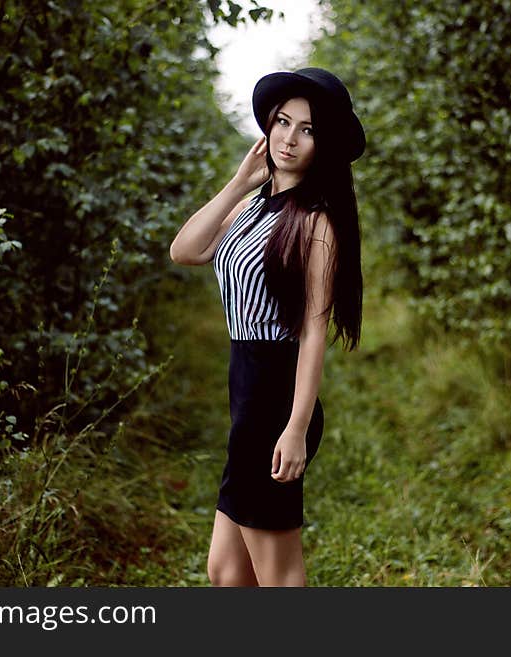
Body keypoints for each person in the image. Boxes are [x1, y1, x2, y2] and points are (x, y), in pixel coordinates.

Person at [169, 67, 365, 586]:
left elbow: (314, 334)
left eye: (307, 129)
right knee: (228, 572)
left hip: (276, 402)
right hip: (247, 396)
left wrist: (297, 427)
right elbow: (185, 250)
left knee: (278, 578)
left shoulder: (316, 223)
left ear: (323, 144)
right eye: (283, 122)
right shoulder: (252, 206)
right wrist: (239, 181)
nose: (290, 138)